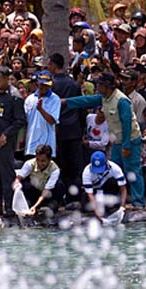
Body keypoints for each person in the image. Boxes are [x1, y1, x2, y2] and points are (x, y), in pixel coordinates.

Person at [64, 72, 145, 209]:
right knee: (111, 170)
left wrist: (126, 146)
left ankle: (138, 202)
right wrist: (66, 102)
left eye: (100, 85)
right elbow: (87, 100)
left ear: (108, 86)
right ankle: (117, 200)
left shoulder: (122, 101)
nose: (98, 87)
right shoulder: (104, 97)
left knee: (133, 171)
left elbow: (127, 124)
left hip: (129, 140)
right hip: (116, 142)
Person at [0, 65, 26, 216]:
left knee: (6, 175)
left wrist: (6, 135)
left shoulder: (15, 96)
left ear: (7, 79)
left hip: (5, 142)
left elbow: (20, 121)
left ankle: (9, 206)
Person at [47, 53, 85, 205]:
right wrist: (82, 129)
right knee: (75, 167)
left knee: (61, 166)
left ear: (54, 65)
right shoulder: (74, 84)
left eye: (49, 64)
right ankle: (74, 197)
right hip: (74, 130)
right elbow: (81, 108)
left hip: (58, 131)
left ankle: (62, 198)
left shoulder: (51, 85)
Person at [14, 144, 65, 215]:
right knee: (24, 184)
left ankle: (49, 206)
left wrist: (35, 206)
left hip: (47, 194)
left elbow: (46, 191)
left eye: (43, 161)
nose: (40, 163)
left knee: (59, 185)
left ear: (49, 159)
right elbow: (19, 177)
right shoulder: (29, 164)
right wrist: (16, 184)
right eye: (38, 160)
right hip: (35, 193)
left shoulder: (55, 170)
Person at [24, 70, 60, 158]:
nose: (44, 87)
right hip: (31, 145)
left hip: (47, 145)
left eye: (47, 85)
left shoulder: (55, 99)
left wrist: (41, 109)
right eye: (42, 84)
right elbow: (25, 121)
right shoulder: (30, 99)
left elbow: (52, 121)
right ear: (37, 83)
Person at [82, 151, 127, 220]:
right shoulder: (86, 172)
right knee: (85, 207)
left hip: (108, 190)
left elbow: (123, 188)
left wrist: (122, 206)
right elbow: (90, 194)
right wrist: (97, 212)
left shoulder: (115, 168)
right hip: (95, 191)